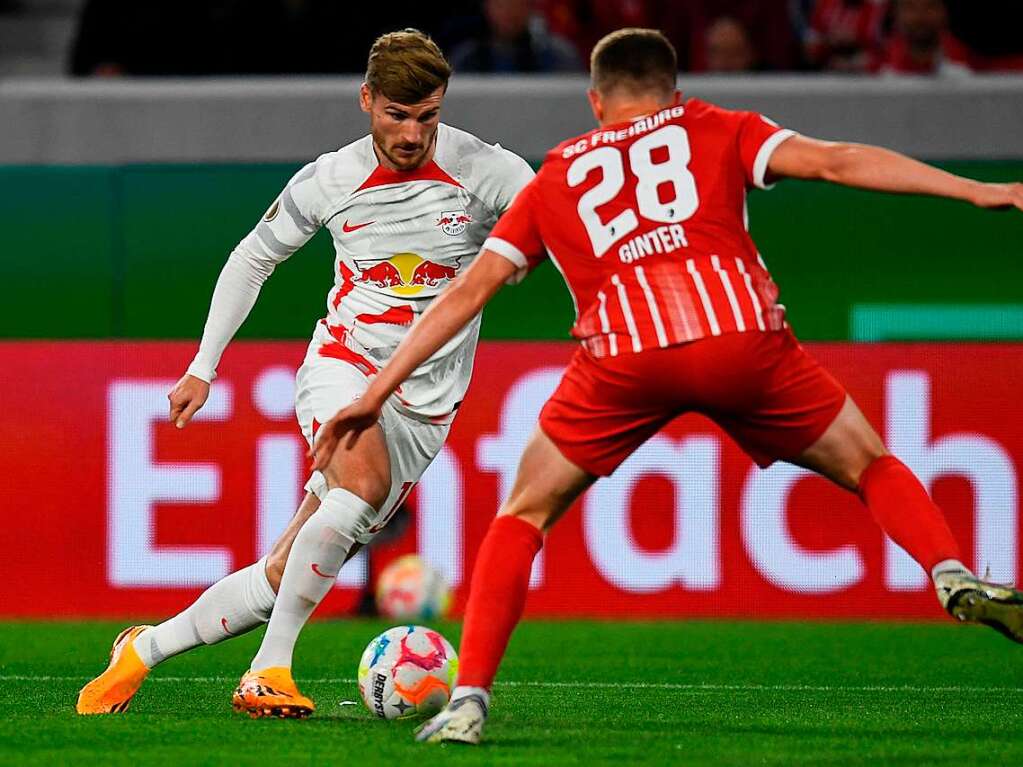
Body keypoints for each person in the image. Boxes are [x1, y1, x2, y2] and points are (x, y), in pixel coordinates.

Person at [312, 27, 1023, 745]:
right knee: (868, 462)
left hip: (624, 356)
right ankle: (949, 567)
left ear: (595, 101)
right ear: (673, 91)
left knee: (521, 515)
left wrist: (374, 392)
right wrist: (976, 188)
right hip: (740, 336)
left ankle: (467, 700)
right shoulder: (718, 127)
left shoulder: (557, 174)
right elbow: (837, 161)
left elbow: (469, 292)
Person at [75, 28, 534, 717]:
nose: (412, 134)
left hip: (427, 408)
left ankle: (145, 647)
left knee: (284, 572)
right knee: (361, 483)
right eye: (396, 114)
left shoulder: (488, 171)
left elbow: (564, 228)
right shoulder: (331, 178)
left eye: (427, 115)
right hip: (343, 368)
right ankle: (268, 671)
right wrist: (203, 365)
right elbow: (252, 258)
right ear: (366, 100)